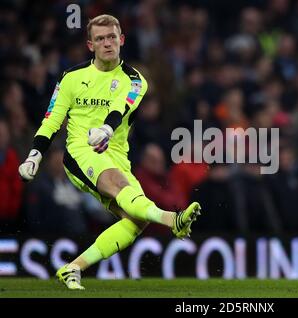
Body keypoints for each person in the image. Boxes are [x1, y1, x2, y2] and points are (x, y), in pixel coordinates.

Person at [18, 15, 201, 290]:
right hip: (80, 150)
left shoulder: (136, 80)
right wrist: (35, 155)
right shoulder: (71, 78)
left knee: (136, 220)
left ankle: (73, 268)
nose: (107, 43)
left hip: (115, 153)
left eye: (112, 37)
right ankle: (172, 219)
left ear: (122, 40)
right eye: (100, 38)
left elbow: (120, 109)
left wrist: (106, 129)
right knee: (119, 186)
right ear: (90, 45)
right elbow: (52, 119)